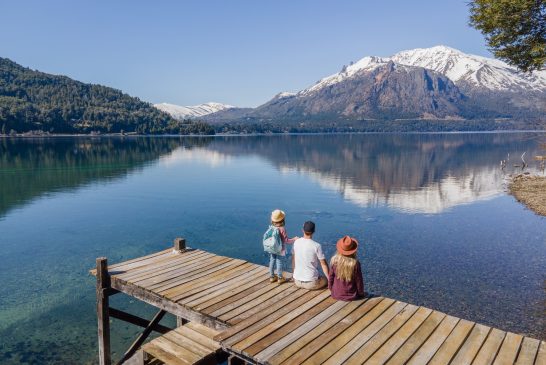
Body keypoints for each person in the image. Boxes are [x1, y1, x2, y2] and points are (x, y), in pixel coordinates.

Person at [292, 221, 329, 290]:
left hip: (297, 281)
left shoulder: (296, 242)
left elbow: (293, 259)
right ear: (314, 231)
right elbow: (323, 264)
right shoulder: (316, 246)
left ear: (302, 230)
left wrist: (294, 274)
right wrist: (329, 279)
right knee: (324, 279)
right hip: (311, 283)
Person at [328, 236, 365, 301]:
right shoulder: (355, 264)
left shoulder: (334, 261)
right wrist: (361, 293)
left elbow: (331, 277)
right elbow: (359, 281)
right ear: (353, 251)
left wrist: (331, 289)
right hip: (351, 296)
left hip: (336, 294)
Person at [266, 209, 298, 284]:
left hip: (272, 247)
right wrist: (294, 239)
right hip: (279, 249)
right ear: (283, 219)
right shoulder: (282, 229)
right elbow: (286, 241)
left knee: (272, 260)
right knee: (279, 262)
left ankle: (272, 276)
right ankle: (280, 277)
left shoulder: (271, 227)